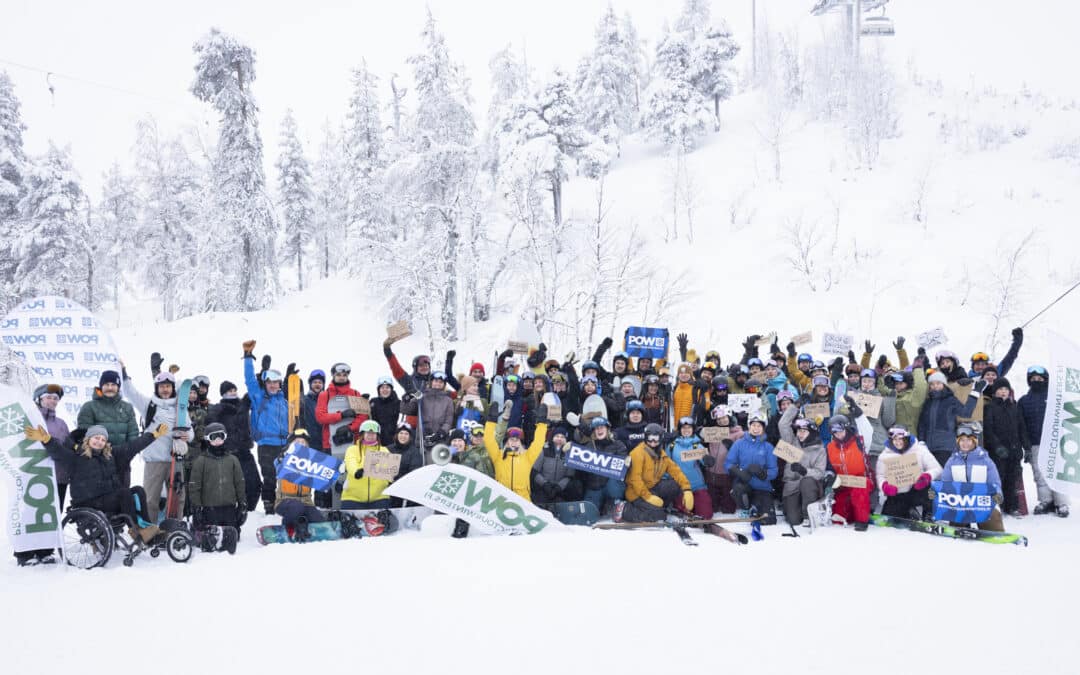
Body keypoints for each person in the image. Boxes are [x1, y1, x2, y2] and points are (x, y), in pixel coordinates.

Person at [26, 423, 168, 545]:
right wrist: (46, 439)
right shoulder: (76, 458)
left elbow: (133, 446)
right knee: (124, 493)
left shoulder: (111, 455)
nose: (99, 442)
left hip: (108, 499)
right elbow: (59, 452)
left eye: (102, 439)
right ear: (88, 439)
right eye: (96, 438)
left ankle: (148, 529)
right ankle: (136, 531)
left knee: (138, 490)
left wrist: (153, 435)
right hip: (88, 502)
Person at [122, 368, 194, 522]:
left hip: (176, 460)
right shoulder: (149, 405)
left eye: (168, 386)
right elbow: (131, 394)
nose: (165, 389)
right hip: (154, 460)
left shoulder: (180, 408)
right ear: (157, 388)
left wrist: (188, 436)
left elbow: (190, 430)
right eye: (162, 386)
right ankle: (151, 531)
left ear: (173, 388)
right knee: (150, 499)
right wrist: (123, 373)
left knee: (177, 498)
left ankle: (174, 530)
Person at [243, 341, 290, 514]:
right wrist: (248, 357)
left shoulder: (284, 401)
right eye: (269, 382)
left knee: (286, 477)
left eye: (276, 383)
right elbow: (249, 380)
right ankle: (269, 507)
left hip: (284, 444)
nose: (273, 385)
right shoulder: (258, 397)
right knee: (270, 477)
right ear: (265, 383)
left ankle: (285, 503)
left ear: (280, 384)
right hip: (266, 445)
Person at [615, 423, 693, 523]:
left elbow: (676, 471)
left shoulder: (661, 454)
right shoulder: (637, 453)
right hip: (636, 493)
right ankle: (624, 510)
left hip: (652, 487)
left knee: (675, 485)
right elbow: (635, 480)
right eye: (650, 438)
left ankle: (658, 507)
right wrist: (648, 497)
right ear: (645, 438)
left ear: (660, 439)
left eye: (656, 439)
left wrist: (687, 489)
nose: (652, 442)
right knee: (659, 517)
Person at [1019, 366, 1069, 517]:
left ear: (1046, 380)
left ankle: (1061, 503)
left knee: (1056, 472)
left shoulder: (1056, 398)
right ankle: (1045, 500)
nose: (1036, 381)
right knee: (1039, 473)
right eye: (1033, 379)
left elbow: (1065, 418)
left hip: (1054, 441)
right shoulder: (1023, 401)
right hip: (1035, 442)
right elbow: (1021, 425)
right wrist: (1026, 447)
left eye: (1040, 379)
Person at [77, 369, 140, 488]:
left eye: (113, 385)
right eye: (106, 384)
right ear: (101, 386)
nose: (110, 387)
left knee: (122, 496)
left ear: (118, 387)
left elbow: (133, 433)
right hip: (97, 462)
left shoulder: (127, 407)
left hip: (122, 461)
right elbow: (83, 434)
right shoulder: (89, 407)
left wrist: (129, 453)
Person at [938, 425, 1005, 531]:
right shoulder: (952, 461)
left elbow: (995, 483)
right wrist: (939, 496)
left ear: (974, 441)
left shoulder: (986, 461)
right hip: (961, 503)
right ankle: (962, 527)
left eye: (968, 440)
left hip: (982, 503)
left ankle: (990, 528)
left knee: (993, 522)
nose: (965, 444)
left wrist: (997, 495)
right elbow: (945, 484)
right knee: (956, 524)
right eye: (962, 440)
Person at [188, 422, 246, 543]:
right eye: (214, 437)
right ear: (208, 439)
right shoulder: (201, 461)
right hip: (209, 509)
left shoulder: (232, 460)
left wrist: (242, 504)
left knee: (232, 538)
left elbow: (239, 483)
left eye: (221, 436)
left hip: (229, 509)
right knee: (209, 539)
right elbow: (195, 487)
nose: (218, 440)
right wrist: (197, 508)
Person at [206, 380, 260, 511]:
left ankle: (250, 508)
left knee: (254, 481)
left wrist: (260, 377)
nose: (233, 392)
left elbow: (254, 391)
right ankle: (230, 508)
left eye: (234, 390)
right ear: (223, 393)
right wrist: (216, 409)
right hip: (228, 452)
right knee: (230, 483)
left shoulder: (244, 404)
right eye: (230, 391)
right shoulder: (219, 408)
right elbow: (209, 422)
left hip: (244, 450)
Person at [982, 378, 1030, 517]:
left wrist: (1026, 448)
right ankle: (998, 505)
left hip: (1014, 450)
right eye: (1000, 389)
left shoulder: (1014, 407)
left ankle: (1012, 506)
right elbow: (988, 430)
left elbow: (1022, 429)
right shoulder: (990, 408)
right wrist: (996, 446)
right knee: (998, 478)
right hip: (998, 452)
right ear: (995, 392)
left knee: (1012, 478)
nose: (1003, 392)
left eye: (1005, 389)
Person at [483, 401, 548, 500]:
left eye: (517, 440)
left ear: (521, 443)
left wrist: (542, 423)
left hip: (523, 500)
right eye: (511, 440)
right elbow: (488, 440)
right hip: (501, 499)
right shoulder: (498, 455)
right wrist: (491, 421)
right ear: (506, 442)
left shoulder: (527, 457)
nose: (514, 442)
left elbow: (538, 442)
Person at [918, 372, 983, 467]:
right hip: (928, 447)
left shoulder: (951, 400)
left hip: (945, 446)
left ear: (943, 384)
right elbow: (922, 424)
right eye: (932, 384)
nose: (935, 386)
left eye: (938, 383)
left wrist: (975, 393)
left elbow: (966, 412)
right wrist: (921, 441)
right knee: (931, 477)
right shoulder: (928, 403)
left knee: (944, 476)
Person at [875, 425, 941, 520]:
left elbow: (937, 468)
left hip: (918, 489)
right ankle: (909, 512)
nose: (897, 442)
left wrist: (926, 477)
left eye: (900, 439)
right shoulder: (884, 455)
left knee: (931, 490)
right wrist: (884, 486)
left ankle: (929, 513)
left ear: (906, 438)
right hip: (898, 492)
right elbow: (880, 475)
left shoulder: (920, 450)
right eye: (894, 439)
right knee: (890, 516)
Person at [777, 404, 827, 527]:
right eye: (799, 431)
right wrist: (795, 406)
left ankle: (808, 515)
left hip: (809, 487)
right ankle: (793, 508)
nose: (800, 434)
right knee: (793, 520)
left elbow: (820, 472)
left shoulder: (820, 450)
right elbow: (782, 424)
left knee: (808, 481)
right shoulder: (792, 441)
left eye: (804, 431)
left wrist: (804, 471)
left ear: (812, 432)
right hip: (792, 486)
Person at [725, 412, 778, 523]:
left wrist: (763, 473)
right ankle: (745, 508)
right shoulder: (739, 444)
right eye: (753, 425)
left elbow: (774, 470)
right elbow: (728, 463)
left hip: (762, 486)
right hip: (745, 484)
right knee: (738, 488)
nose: (756, 428)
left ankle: (757, 505)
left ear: (763, 428)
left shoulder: (768, 447)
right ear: (749, 426)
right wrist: (739, 471)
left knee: (768, 520)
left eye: (759, 426)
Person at [824, 414, 872, 531]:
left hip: (861, 480)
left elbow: (868, 430)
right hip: (843, 483)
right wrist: (829, 475)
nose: (838, 434)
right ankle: (853, 513)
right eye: (835, 432)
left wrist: (858, 414)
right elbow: (829, 467)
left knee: (858, 493)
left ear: (847, 428)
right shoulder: (830, 447)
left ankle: (862, 520)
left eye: (841, 431)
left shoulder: (859, 441)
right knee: (838, 517)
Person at [666, 417, 716, 519]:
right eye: (684, 428)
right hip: (680, 487)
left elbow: (704, 460)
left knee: (706, 514)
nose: (686, 430)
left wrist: (707, 460)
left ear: (693, 429)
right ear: (679, 430)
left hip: (697, 486)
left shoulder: (697, 445)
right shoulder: (672, 446)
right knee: (683, 513)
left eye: (689, 428)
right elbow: (666, 465)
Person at [580, 416, 628, 513]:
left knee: (614, 484)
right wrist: (568, 452)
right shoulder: (589, 446)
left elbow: (623, 468)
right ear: (593, 431)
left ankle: (615, 502)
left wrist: (627, 463)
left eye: (602, 427)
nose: (599, 430)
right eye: (596, 428)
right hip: (595, 485)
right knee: (588, 512)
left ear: (607, 429)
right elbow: (580, 469)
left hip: (612, 485)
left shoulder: (618, 444)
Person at [314, 362, 366, 452]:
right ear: (333, 376)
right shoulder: (324, 395)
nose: (342, 377)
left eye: (344, 375)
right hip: (330, 443)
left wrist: (350, 427)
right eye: (338, 375)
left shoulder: (355, 394)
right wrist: (341, 415)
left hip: (352, 441)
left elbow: (362, 417)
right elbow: (320, 417)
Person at [342, 420, 393, 510]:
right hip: (353, 498)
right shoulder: (352, 449)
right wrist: (356, 471)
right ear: (362, 434)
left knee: (381, 524)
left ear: (377, 436)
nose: (371, 435)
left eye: (373, 433)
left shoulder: (384, 450)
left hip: (380, 498)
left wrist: (390, 478)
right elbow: (351, 463)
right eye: (368, 433)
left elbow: (389, 470)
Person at [530, 424, 583, 504]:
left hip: (560, 490)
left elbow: (570, 475)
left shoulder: (569, 454)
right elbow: (535, 471)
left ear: (566, 440)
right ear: (553, 437)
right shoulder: (545, 450)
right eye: (557, 436)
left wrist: (559, 487)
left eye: (562, 437)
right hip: (544, 487)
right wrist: (545, 484)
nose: (559, 439)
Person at [387, 422, 425, 507]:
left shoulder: (414, 452)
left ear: (410, 437)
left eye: (406, 434)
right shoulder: (388, 449)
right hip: (388, 488)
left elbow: (414, 472)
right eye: (401, 433)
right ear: (397, 435)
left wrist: (398, 479)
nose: (403, 436)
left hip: (404, 489)